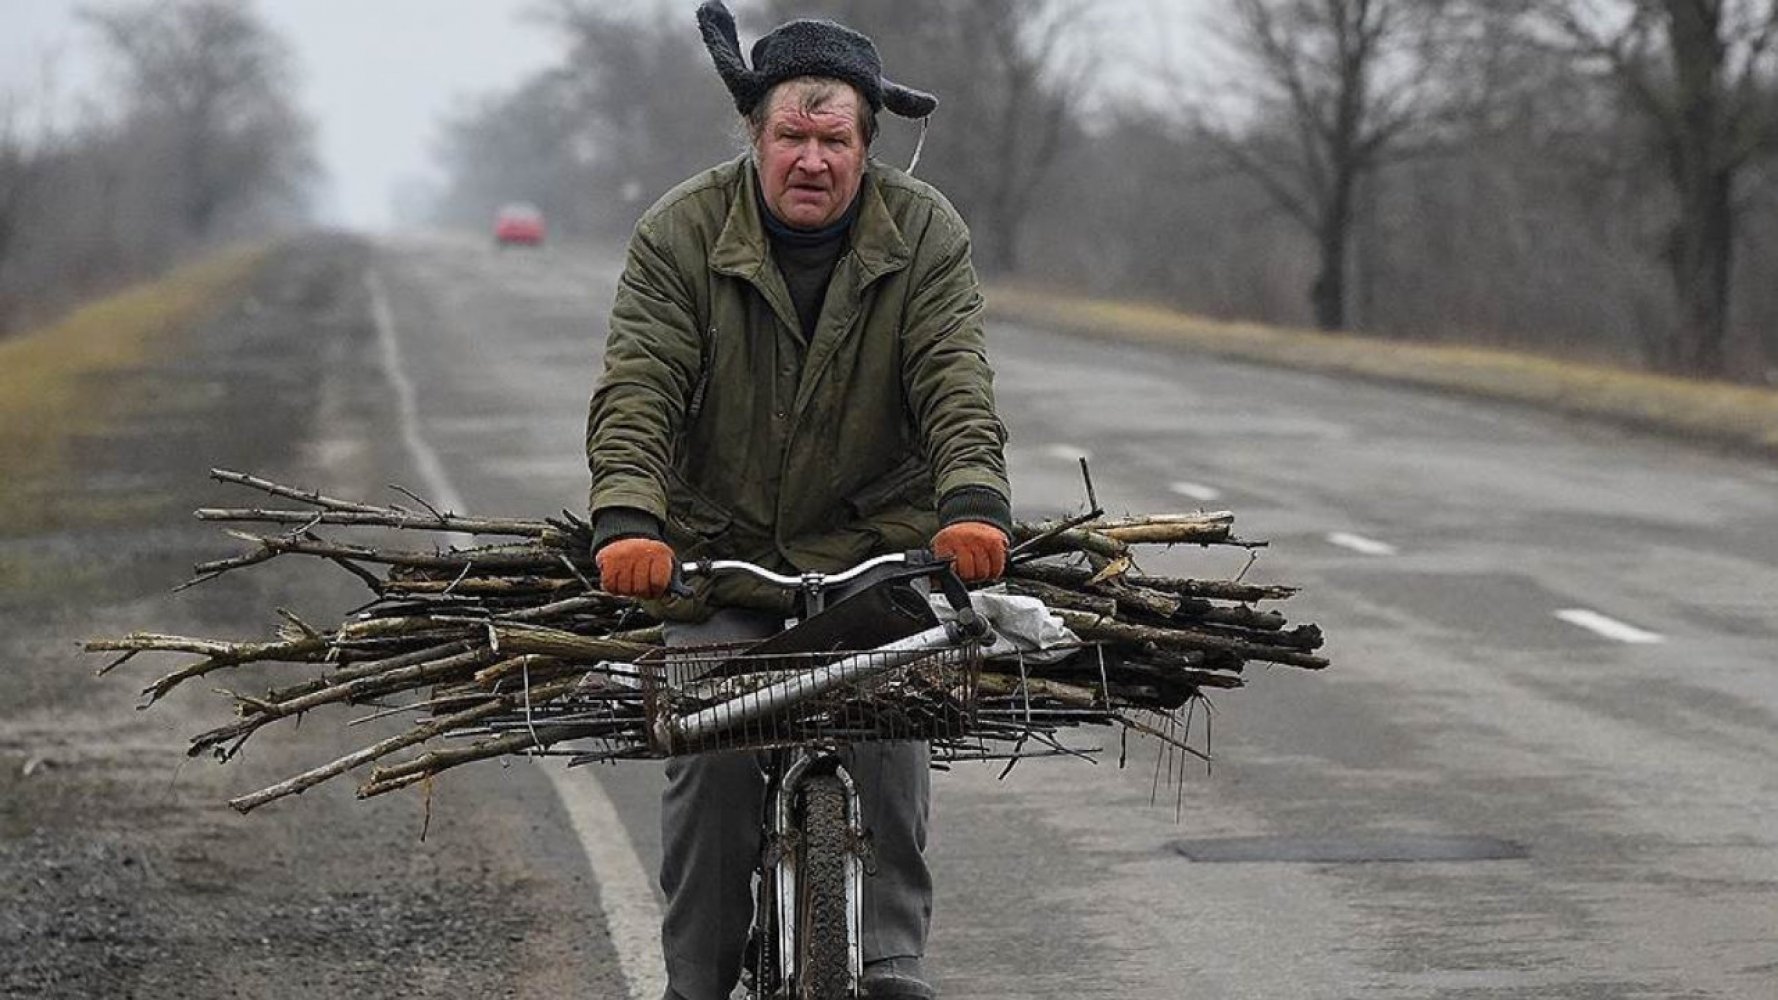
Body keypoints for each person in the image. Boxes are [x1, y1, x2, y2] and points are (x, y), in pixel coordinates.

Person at [584, 3, 1012, 998]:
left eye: (833, 139)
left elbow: (955, 380)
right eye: (791, 136)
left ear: (866, 147)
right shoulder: (681, 232)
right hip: (720, 547)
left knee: (895, 703)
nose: (809, 159)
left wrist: (975, 504)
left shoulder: (923, 233)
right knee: (711, 745)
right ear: (755, 137)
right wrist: (628, 520)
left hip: (878, 541)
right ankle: (695, 978)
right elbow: (638, 386)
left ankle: (892, 957)